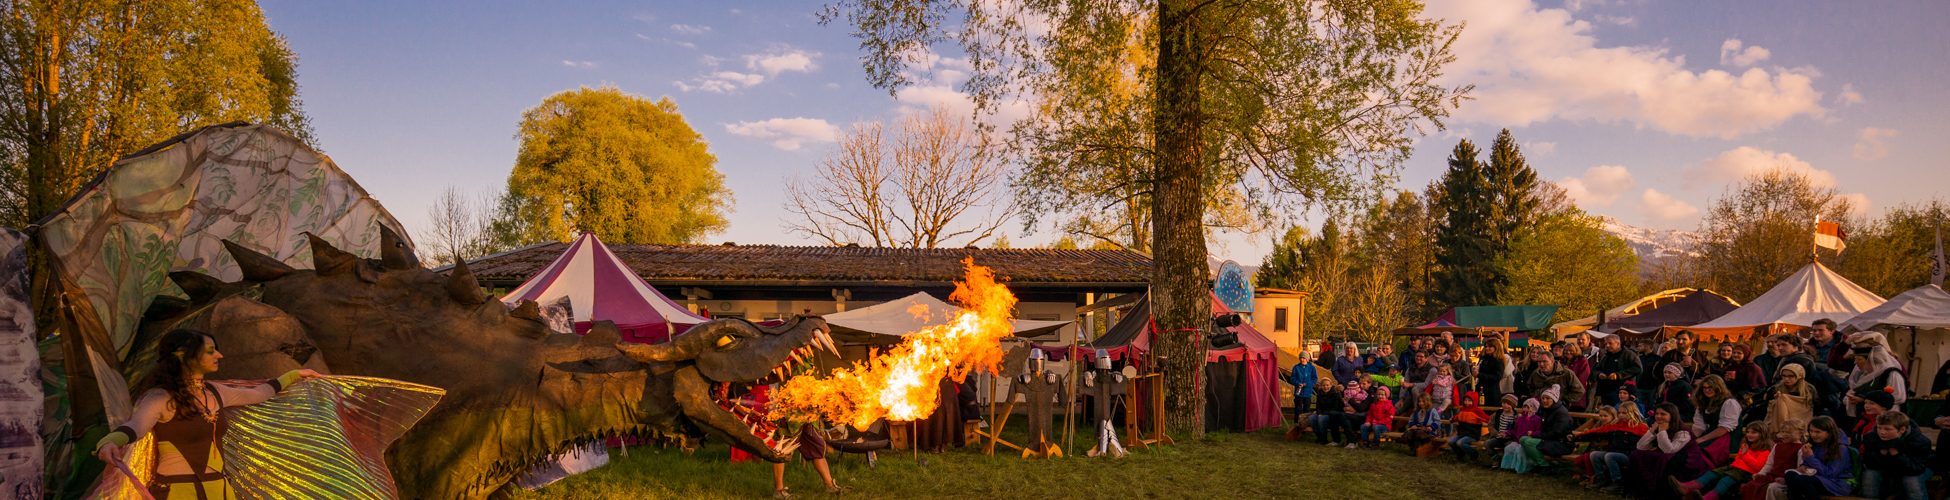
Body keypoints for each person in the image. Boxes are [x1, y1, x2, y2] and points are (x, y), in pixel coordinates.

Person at [91, 329, 322, 499]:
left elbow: (261, 393)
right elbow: (135, 426)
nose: (219, 355)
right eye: (211, 351)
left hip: (220, 490)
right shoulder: (160, 397)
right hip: (178, 492)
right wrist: (110, 442)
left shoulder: (216, 392)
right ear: (184, 355)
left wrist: (293, 375)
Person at [1673, 420, 1775, 500]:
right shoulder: (1746, 444)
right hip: (1735, 468)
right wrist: (1739, 458)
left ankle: (1708, 498)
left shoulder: (1765, 450)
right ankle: (1687, 488)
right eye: (1748, 432)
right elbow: (1738, 460)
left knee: (1725, 480)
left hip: (1747, 473)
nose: (1749, 434)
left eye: (1754, 432)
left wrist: (1745, 455)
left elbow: (1758, 467)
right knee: (1711, 473)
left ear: (1762, 434)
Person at [1766, 416, 1853, 500]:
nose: (1813, 435)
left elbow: (1830, 473)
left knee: (1801, 480)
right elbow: (1808, 466)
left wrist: (1810, 457)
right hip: (1818, 478)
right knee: (1790, 475)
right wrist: (1802, 467)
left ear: (1829, 433)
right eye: (1811, 431)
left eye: (1817, 432)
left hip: (1836, 483)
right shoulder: (1814, 444)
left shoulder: (1840, 448)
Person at [1579, 402, 1648, 494]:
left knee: (1610, 456)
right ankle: (1601, 480)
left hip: (1631, 455)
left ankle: (1618, 483)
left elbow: (1648, 442)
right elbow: (1598, 431)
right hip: (1616, 452)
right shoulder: (1616, 425)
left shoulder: (1641, 427)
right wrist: (1578, 435)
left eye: (1624, 413)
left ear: (1632, 412)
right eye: (1619, 413)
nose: (1621, 415)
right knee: (1594, 455)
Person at [1860, 411, 1932, 500]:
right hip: (1885, 466)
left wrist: (1897, 455)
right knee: (1870, 475)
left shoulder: (1919, 442)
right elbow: (1868, 462)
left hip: (1916, 469)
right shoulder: (1871, 437)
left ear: (1902, 430)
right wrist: (1882, 454)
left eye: (1887, 429)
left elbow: (1916, 468)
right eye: (1879, 428)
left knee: (1911, 481)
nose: (1882, 432)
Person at [1631, 403, 1699, 496]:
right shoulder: (1657, 425)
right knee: (1637, 454)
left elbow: (1669, 450)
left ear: (1672, 415)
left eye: (1663, 414)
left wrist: (1662, 431)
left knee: (1663, 458)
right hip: (1666, 452)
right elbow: (1640, 446)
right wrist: (1651, 431)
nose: (1658, 416)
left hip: (1684, 457)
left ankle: (1658, 489)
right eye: (1657, 414)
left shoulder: (1683, 431)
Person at [1845, 332, 1908, 422]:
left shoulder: (1891, 373)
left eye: (1859, 359)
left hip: (1886, 419)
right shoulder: (1863, 375)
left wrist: (1864, 400)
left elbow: (1898, 397)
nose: (1855, 363)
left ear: (1871, 359)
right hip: (1864, 418)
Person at [772, 420, 844, 498]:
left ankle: (830, 486)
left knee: (816, 447)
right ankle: (779, 490)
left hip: (809, 418)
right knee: (782, 451)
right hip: (789, 417)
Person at [1740, 419, 1808, 500]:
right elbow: (1769, 464)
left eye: (1788, 433)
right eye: (1783, 432)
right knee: (1751, 485)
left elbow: (1800, 469)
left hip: (1785, 479)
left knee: (1771, 488)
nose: (1784, 434)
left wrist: (1786, 479)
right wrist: (1761, 473)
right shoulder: (1777, 446)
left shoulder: (1801, 449)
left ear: (1800, 433)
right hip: (1773, 476)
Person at [1691, 375, 1743, 466]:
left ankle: (1700, 478)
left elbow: (1725, 428)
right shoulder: (1703, 403)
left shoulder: (1729, 403)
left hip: (1728, 436)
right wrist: (1692, 439)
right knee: (1689, 448)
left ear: (1718, 388)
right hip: (1711, 433)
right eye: (1704, 388)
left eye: (1710, 387)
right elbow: (1699, 426)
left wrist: (1702, 439)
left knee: (1701, 452)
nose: (1707, 390)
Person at [1593, 334, 1641, 407]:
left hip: (1622, 391)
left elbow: (1638, 368)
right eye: (1606, 344)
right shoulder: (1606, 356)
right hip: (1606, 390)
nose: (1607, 345)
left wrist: (1618, 375)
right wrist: (1599, 374)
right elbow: (1596, 369)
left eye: (1610, 343)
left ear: (1618, 343)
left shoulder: (1629, 354)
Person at [1499, 398, 1543, 473]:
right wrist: (1506, 433)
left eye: (1528, 407)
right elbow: (1515, 430)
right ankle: (1508, 466)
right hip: (1517, 440)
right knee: (1509, 448)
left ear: (1534, 408)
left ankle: (1522, 467)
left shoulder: (1537, 419)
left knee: (1519, 450)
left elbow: (1540, 431)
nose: (1525, 409)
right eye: (1524, 407)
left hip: (1528, 442)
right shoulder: (1520, 418)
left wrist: (1532, 433)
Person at [1766, 363, 1817, 429]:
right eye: (1784, 376)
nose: (1786, 379)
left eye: (1791, 376)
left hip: (1802, 422)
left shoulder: (1809, 390)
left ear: (1799, 376)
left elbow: (1815, 406)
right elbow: (1768, 408)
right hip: (1780, 422)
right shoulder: (1775, 389)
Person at [1448, 391, 1491, 463]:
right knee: (1451, 441)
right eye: (1465, 400)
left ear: (1474, 401)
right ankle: (1461, 455)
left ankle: (1474, 454)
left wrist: (1491, 422)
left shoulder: (1477, 411)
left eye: (1469, 401)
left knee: (1460, 443)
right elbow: (1457, 417)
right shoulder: (1462, 410)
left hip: (1473, 434)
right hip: (1462, 433)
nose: (1467, 402)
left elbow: (1488, 419)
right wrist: (1452, 420)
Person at [1478, 333, 1514, 404]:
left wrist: (1479, 374)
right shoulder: (1484, 358)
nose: (1487, 348)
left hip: (1494, 391)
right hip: (1482, 389)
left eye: (1490, 346)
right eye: (1486, 346)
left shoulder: (1500, 359)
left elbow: (1499, 376)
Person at [1310, 380, 1349, 446]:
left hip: (1332, 413)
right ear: (1321, 386)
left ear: (1331, 385)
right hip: (1322, 412)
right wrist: (1319, 413)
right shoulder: (1320, 393)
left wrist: (1322, 414)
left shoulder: (1336, 393)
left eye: (1327, 385)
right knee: (1311, 418)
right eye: (1324, 385)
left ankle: (1324, 439)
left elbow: (1335, 407)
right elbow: (1318, 406)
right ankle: (1319, 437)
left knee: (1321, 419)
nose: (1325, 387)